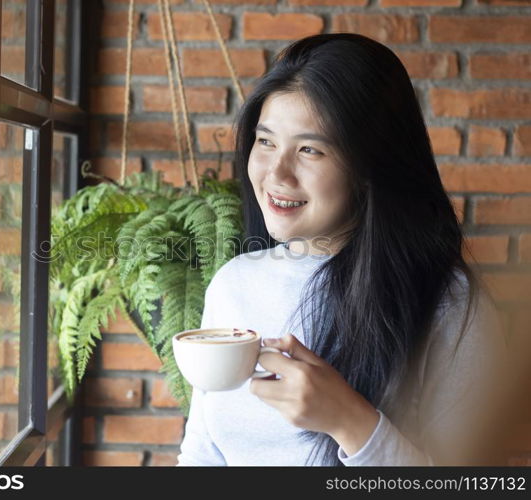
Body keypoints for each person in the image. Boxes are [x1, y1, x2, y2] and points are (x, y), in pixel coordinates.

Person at [175, 33, 508, 466]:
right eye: (266, 141)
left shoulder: (451, 305)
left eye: (310, 149)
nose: (277, 172)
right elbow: (203, 453)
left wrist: (349, 420)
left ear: (370, 166)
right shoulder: (234, 284)